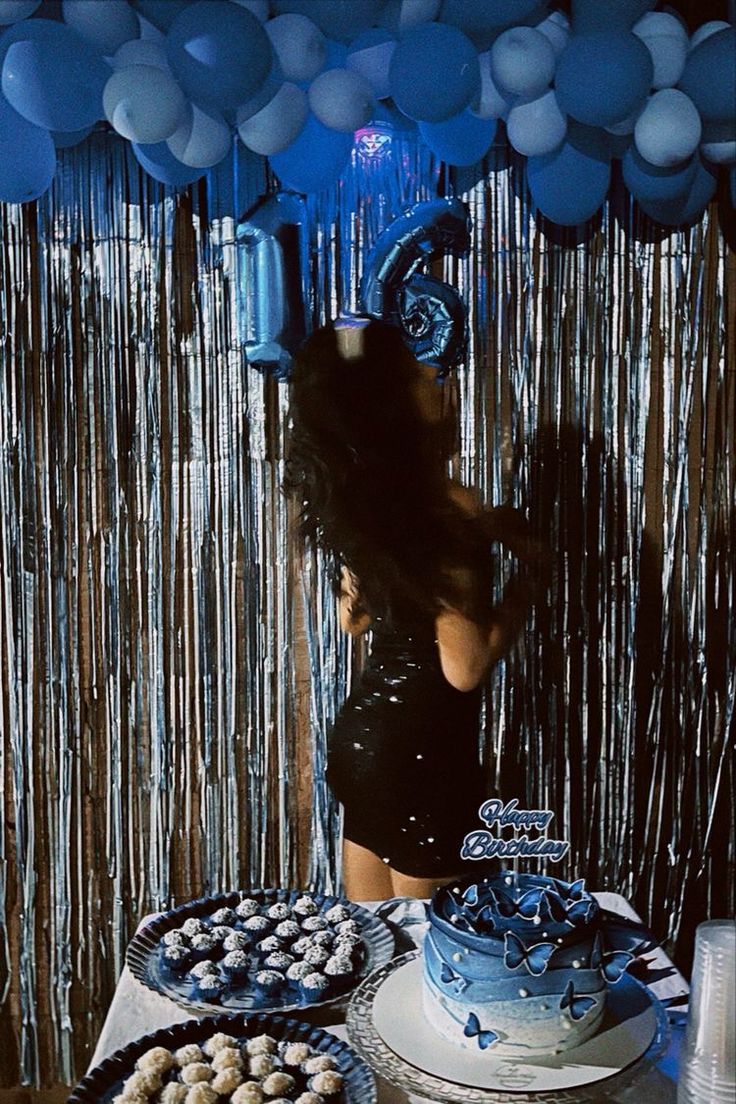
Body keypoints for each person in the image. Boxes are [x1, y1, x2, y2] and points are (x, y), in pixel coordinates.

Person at [286, 317, 545, 901]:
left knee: (376, 950)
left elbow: (353, 620)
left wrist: (488, 530)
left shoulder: (365, 501)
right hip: (422, 754)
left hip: (362, 746)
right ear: (394, 405)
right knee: (430, 968)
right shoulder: (446, 507)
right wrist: (533, 580)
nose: (433, 373)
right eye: (413, 370)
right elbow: (465, 666)